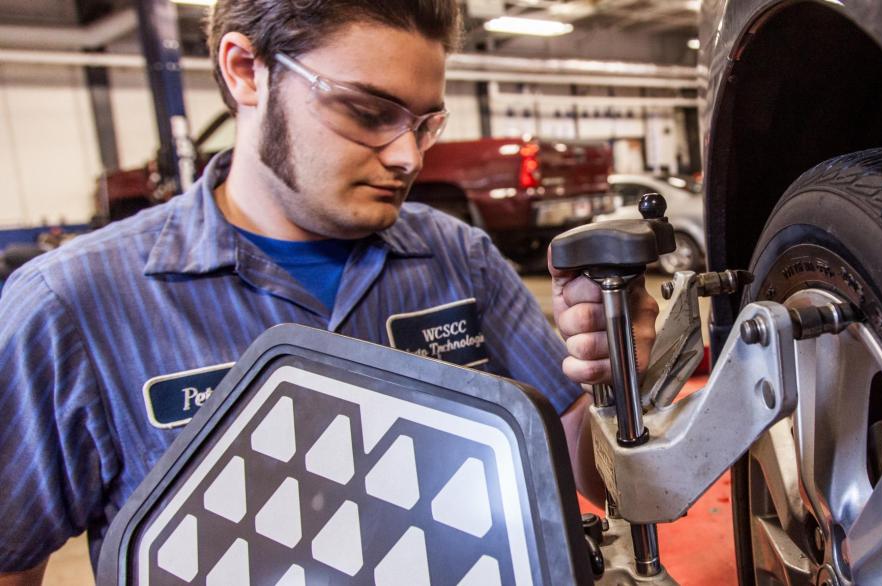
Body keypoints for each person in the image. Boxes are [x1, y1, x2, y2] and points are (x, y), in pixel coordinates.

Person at [0, 0, 657, 582]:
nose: (408, 157)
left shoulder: (459, 258)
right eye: (369, 112)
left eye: (425, 123)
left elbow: (591, 479)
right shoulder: (73, 308)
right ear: (246, 71)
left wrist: (614, 368)